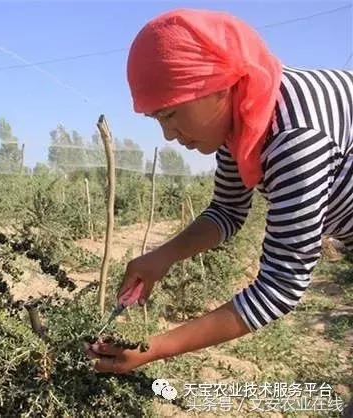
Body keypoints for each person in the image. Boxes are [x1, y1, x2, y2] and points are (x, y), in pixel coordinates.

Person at [84, 8, 353, 375]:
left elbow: (281, 285)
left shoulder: (295, 137)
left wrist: (152, 349)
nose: (168, 135)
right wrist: (161, 257)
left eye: (170, 114)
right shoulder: (243, 118)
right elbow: (228, 210)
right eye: (157, 119)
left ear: (219, 85)